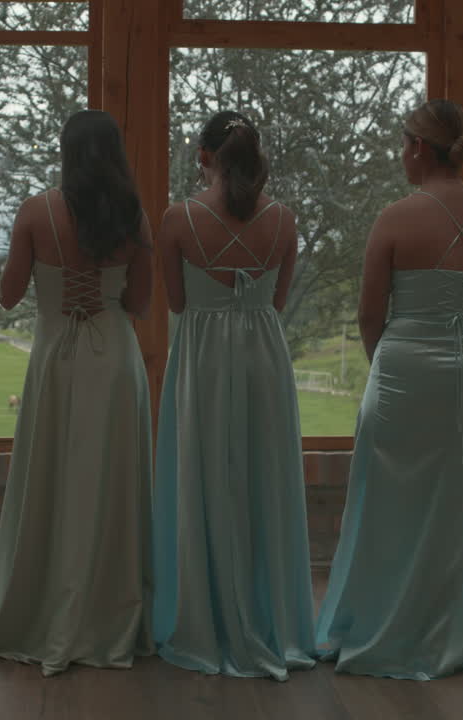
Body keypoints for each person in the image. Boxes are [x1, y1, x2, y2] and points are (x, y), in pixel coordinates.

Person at [315, 99, 463, 679]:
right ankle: (447, 637)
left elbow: (370, 315)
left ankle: (377, 632)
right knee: (452, 503)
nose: (400, 154)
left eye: (403, 143)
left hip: (406, 368)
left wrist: (391, 369)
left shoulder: (396, 217)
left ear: (420, 148)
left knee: (385, 500)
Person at [0, 109, 155, 677]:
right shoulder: (132, 215)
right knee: (110, 482)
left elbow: (7, 296)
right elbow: (140, 303)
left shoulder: (35, 211)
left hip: (55, 359)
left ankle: (42, 605)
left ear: (66, 150)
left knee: (49, 478)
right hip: (114, 358)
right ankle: (105, 612)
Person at [152, 110, 316, 681]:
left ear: (205, 158)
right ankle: (272, 618)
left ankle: (207, 616)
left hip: (202, 357)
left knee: (204, 478)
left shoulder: (177, 219)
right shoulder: (286, 221)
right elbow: (277, 301)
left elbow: (176, 303)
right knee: (261, 480)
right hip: (263, 358)